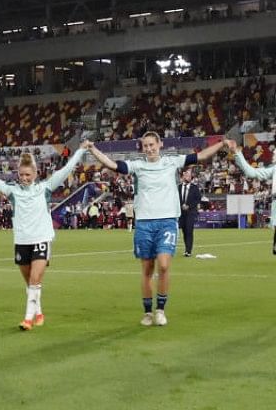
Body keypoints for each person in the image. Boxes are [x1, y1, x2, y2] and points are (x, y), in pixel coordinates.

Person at [87, 132, 227, 326]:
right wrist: (93, 149)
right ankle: (147, 313)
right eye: (146, 146)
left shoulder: (172, 161)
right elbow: (113, 165)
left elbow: (201, 156)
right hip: (144, 222)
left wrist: (221, 144)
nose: (149, 149)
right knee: (147, 269)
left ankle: (160, 309)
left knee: (163, 265)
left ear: (160, 144)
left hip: (167, 221)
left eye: (152, 145)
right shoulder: (137, 165)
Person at [0, 146, 88, 330]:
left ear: (35, 174)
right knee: (30, 282)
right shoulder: (12, 191)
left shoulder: (45, 187)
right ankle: (39, 312)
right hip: (22, 241)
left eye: (28, 175)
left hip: (41, 238)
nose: (24, 178)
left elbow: (67, 168)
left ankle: (28, 319)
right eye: (21, 174)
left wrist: (80, 151)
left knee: (35, 278)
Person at [225, 139, 276, 253]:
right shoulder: (274, 169)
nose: (273, 157)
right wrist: (237, 152)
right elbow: (252, 172)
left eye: (274, 155)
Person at [177, 167, 203, 256]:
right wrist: (182, 205)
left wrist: (188, 206)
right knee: (184, 231)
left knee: (189, 230)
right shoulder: (179, 187)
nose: (188, 177)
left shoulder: (194, 188)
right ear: (183, 176)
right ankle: (186, 249)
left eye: (189, 175)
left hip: (191, 212)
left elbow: (197, 199)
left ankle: (188, 250)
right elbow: (176, 198)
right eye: (186, 175)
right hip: (181, 213)